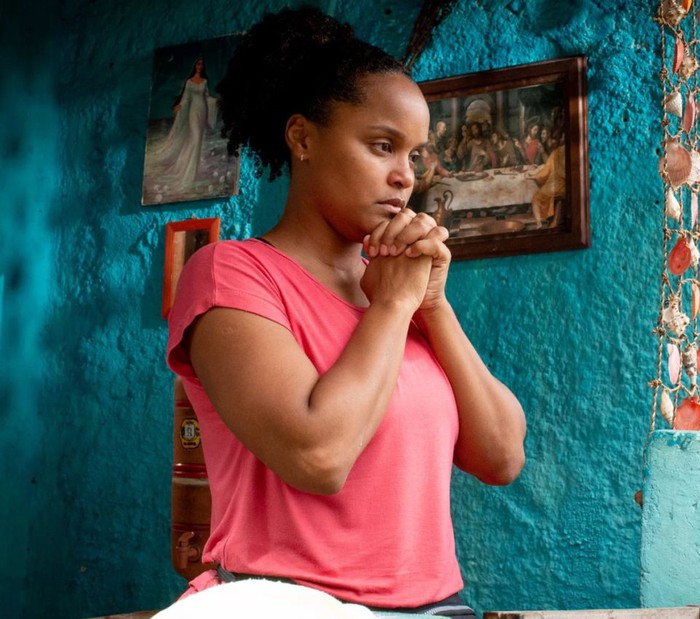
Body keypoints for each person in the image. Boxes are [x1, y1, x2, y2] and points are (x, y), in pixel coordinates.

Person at [164, 6, 526, 617]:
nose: (403, 177)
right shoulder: (232, 275)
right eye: (382, 145)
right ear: (303, 137)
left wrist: (432, 307)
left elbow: (502, 457)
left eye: (413, 155)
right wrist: (394, 306)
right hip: (292, 607)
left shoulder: (399, 288)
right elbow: (318, 457)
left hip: (441, 608)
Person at [146, 57, 216, 187]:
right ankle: (187, 173)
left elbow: (206, 97)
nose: (200, 66)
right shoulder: (189, 82)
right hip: (193, 113)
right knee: (194, 139)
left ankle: (193, 174)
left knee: (198, 141)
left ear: (203, 66)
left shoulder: (205, 81)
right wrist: (180, 105)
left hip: (203, 110)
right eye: (198, 64)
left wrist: (216, 101)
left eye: (202, 64)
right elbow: (186, 98)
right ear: (195, 65)